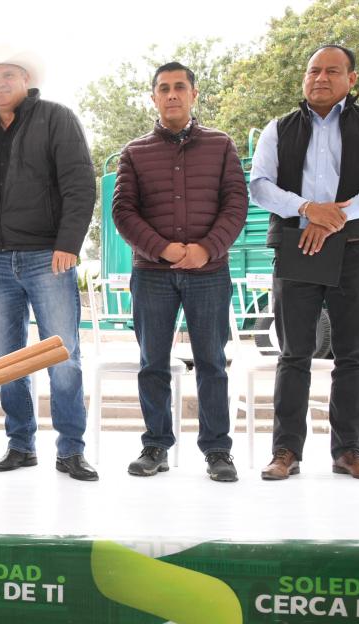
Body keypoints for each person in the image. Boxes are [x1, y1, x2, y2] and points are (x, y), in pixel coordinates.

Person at [249, 45, 359, 481]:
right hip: (296, 245)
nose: (320, 78)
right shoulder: (278, 129)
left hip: (355, 247)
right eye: (313, 70)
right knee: (293, 354)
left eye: (332, 71)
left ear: (351, 79)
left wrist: (334, 216)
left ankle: (349, 450)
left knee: (353, 355)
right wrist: (306, 209)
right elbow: (259, 187)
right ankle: (285, 452)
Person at [112, 62, 249, 482]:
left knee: (212, 362)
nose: (171, 94)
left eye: (179, 87)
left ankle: (218, 450)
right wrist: (164, 249)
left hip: (209, 272)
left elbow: (235, 204)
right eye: (163, 88)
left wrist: (206, 249)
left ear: (193, 94)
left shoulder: (221, 145)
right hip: (152, 273)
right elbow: (123, 211)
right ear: (154, 97)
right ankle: (155, 445)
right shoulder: (134, 152)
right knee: (152, 362)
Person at [0, 45, 98, 480]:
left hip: (49, 256)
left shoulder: (56, 117)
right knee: (7, 362)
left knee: (64, 359)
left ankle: (71, 450)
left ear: (26, 80)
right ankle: (20, 445)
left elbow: (80, 184)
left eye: (8, 76)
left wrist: (69, 243)